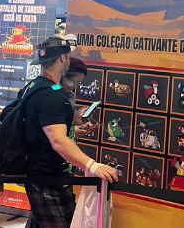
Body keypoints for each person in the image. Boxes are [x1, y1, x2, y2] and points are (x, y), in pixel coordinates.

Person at [23, 37, 118, 227]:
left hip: (39, 176)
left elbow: (44, 129)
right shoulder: (51, 94)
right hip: (49, 179)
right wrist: (92, 165)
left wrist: (73, 124)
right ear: (62, 58)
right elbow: (57, 140)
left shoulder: (37, 86)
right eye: (68, 56)